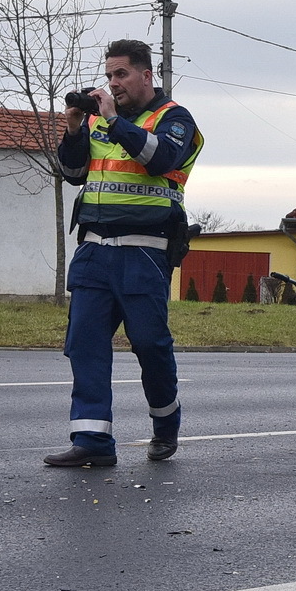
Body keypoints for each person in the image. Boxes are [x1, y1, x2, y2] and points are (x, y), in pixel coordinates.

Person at [44, 39, 204, 468]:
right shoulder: (98, 122)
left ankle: (165, 427)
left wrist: (113, 121)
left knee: (150, 346)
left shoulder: (175, 119)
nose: (113, 83)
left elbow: (161, 158)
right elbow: (75, 173)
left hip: (144, 253)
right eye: (109, 75)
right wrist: (76, 127)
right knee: (85, 345)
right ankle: (92, 442)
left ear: (146, 75)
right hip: (95, 252)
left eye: (121, 74)